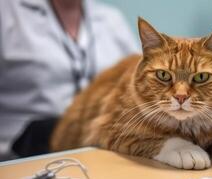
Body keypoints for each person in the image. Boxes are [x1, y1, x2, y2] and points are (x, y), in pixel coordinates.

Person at [0, 0, 139, 160]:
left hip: (97, 149)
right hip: (20, 154)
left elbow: (138, 80)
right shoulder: (7, 12)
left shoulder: (111, 20)